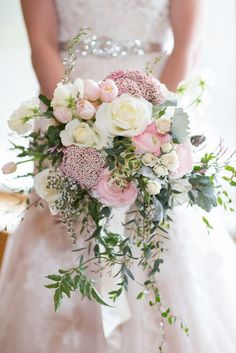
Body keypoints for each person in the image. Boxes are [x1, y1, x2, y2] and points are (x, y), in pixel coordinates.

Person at [1, 1, 236, 353]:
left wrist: (154, 125)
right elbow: (42, 43)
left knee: (160, 240)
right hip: (69, 108)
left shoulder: (158, 116)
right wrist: (73, 120)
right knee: (66, 234)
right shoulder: (69, 115)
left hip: (158, 104)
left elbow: (187, 45)